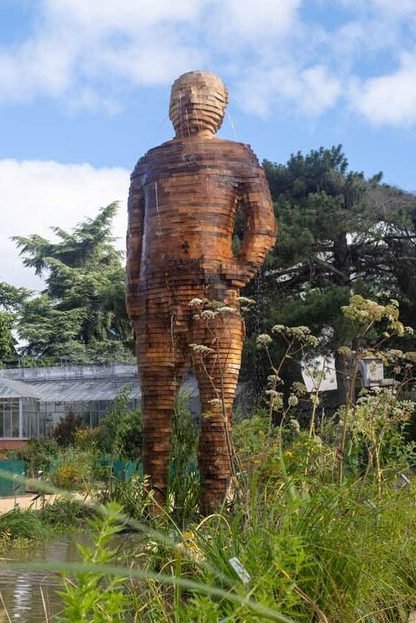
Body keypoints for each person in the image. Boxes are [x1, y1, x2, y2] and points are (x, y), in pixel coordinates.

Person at [126, 70, 276, 513]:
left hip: (215, 301)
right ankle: (153, 507)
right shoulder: (149, 163)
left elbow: (263, 225)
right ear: (169, 105)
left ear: (222, 105)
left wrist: (239, 269)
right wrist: (133, 295)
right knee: (155, 412)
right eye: (181, 92)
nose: (191, 99)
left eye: (203, 92)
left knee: (217, 411)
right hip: (156, 301)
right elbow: (135, 237)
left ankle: (214, 509)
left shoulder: (238, 157)